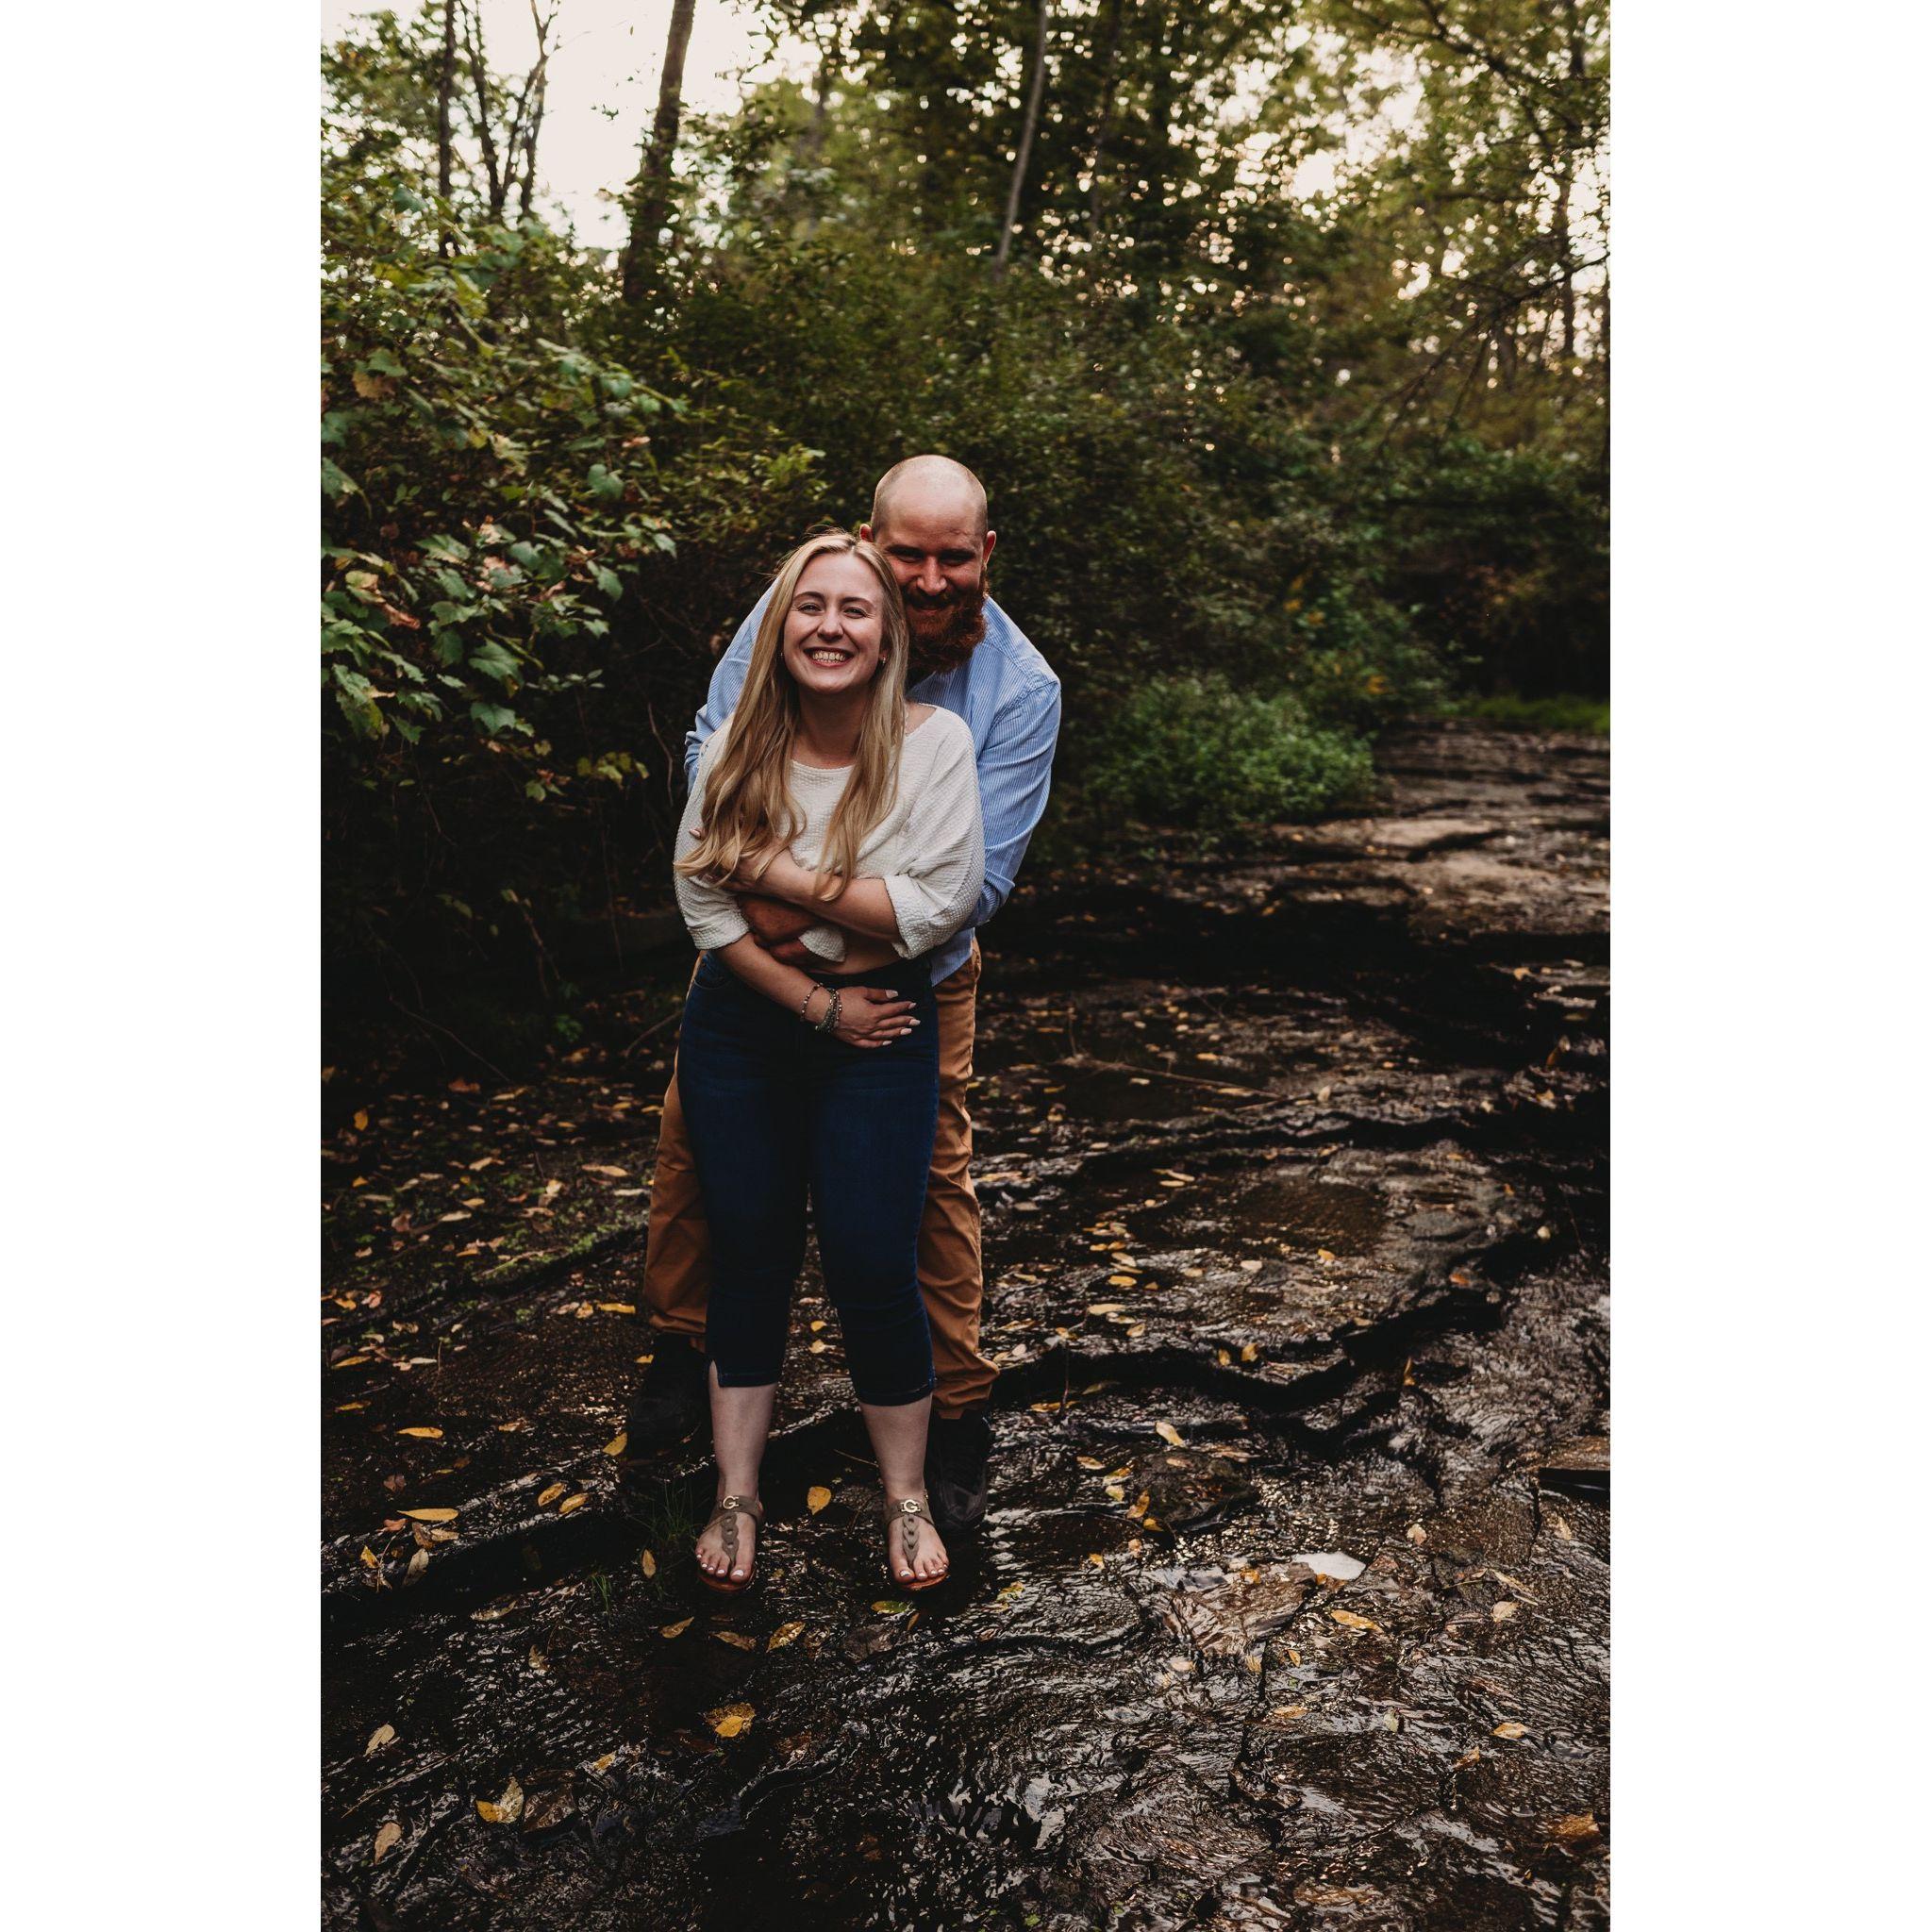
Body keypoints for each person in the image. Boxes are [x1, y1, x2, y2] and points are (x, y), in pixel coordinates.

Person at [628, 456, 1061, 1540]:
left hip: (914, 975)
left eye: (948, 556)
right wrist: (775, 938)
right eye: (903, 553)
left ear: (983, 555)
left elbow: (968, 891)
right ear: (869, 540)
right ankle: (683, 1356)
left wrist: (780, 901)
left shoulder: (1018, 690)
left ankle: (954, 1410)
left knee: (929, 1181)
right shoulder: (809, 608)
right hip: (747, 956)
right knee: (697, 1151)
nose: (925, 577)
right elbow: (710, 756)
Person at [671, 530, 985, 1592]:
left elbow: (933, 907)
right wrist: (821, 993)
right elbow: (705, 910)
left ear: (886, 632)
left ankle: (901, 1493)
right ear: (780, 626)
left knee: (868, 1260)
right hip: (746, 1026)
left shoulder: (932, 746)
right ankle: (737, 1492)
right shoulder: (731, 747)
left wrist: (775, 874)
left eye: (855, 609)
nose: (830, 627)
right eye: (810, 607)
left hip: (885, 1031)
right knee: (750, 1252)